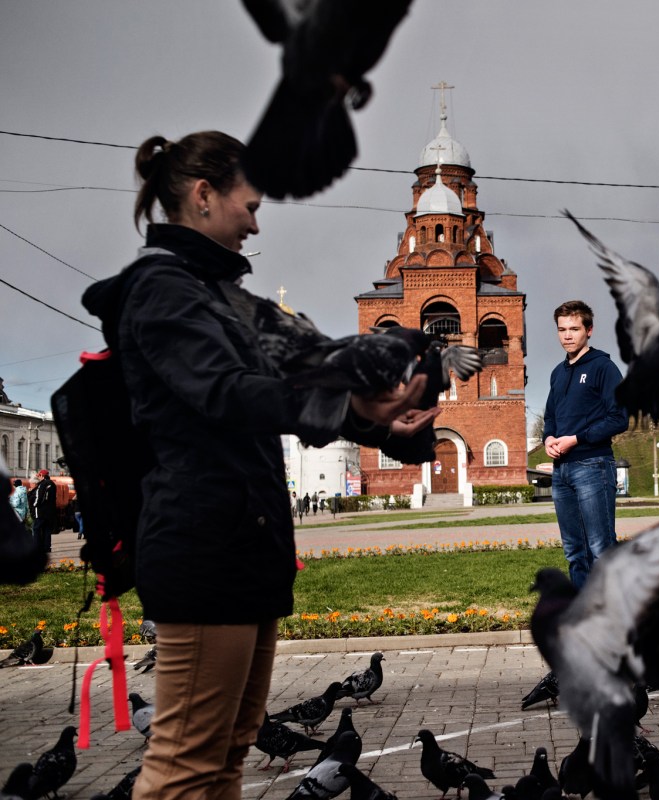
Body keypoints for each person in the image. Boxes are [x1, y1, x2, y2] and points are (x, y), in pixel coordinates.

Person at [80, 130, 438, 800]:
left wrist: (376, 413)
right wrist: (350, 402)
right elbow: (224, 393)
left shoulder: (228, 298)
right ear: (204, 195)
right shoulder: (162, 291)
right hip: (201, 547)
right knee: (185, 765)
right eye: (249, 202)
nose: (256, 219)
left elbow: (313, 369)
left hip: (246, 548)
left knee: (227, 757)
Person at [543, 300, 628, 589]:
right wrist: (549, 439)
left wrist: (577, 439)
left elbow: (619, 419)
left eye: (574, 329)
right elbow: (551, 416)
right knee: (574, 550)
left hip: (593, 466)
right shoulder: (558, 372)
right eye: (562, 329)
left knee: (600, 546)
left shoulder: (603, 367)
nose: (567, 335)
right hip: (562, 471)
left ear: (589, 330)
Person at [30, 468, 57, 554]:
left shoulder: (42, 484)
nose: (38, 478)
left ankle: (36, 547)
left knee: (36, 528)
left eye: (39, 476)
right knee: (47, 529)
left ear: (42, 475)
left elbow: (39, 497)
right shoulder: (53, 484)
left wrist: (34, 505)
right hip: (50, 511)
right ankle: (47, 547)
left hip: (41, 511)